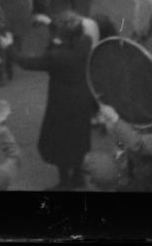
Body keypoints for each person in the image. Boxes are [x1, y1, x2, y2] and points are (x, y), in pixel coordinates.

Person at [17, 12, 94, 189]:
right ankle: (78, 176)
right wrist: (50, 24)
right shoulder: (86, 42)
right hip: (82, 98)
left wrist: (8, 47)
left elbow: (26, 63)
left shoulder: (56, 56)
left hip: (61, 101)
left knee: (60, 139)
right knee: (78, 137)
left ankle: (65, 181)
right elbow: (67, 37)